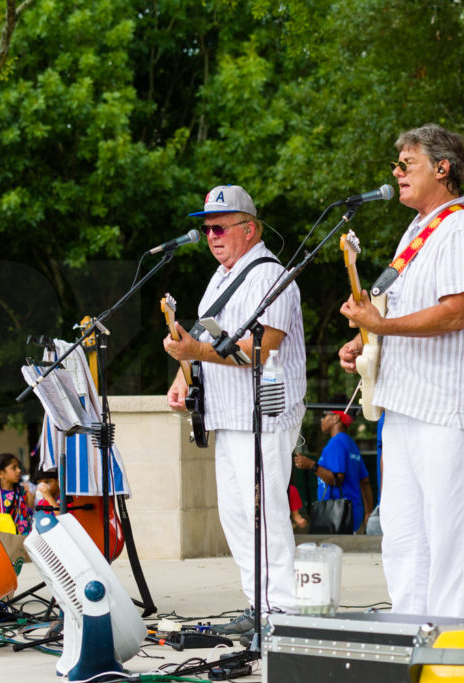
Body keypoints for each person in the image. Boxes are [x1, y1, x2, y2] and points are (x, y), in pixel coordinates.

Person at [338, 124, 464, 618]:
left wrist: (382, 323)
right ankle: (411, 632)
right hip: (405, 404)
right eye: (397, 166)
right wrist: (365, 339)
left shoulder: (462, 228)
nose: (396, 174)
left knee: (449, 533)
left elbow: (455, 311)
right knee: (404, 533)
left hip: (447, 406)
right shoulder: (417, 232)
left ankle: (452, 641)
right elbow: (398, 315)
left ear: (442, 168)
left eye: (407, 165)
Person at [164, 184, 306, 635]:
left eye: (220, 226)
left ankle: (280, 611)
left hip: (262, 416)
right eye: (206, 227)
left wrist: (195, 354)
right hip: (228, 417)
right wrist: (181, 375)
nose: (211, 235)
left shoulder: (270, 275)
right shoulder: (220, 277)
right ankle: (258, 604)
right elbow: (205, 342)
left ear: (249, 228)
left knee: (264, 514)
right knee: (237, 517)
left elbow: (262, 347)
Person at [293, 410, 372, 532]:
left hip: (337, 514)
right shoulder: (351, 444)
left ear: (336, 418)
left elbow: (337, 479)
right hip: (354, 511)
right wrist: (368, 512)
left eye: (324, 415)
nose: (321, 419)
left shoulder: (336, 443)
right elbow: (365, 481)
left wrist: (311, 465)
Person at [0, 452, 35, 535]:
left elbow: (29, 511)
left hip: (24, 538)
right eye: (14, 468)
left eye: (18, 467)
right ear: (0, 474)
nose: (19, 470)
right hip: (5, 540)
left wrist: (30, 495)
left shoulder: (23, 491)